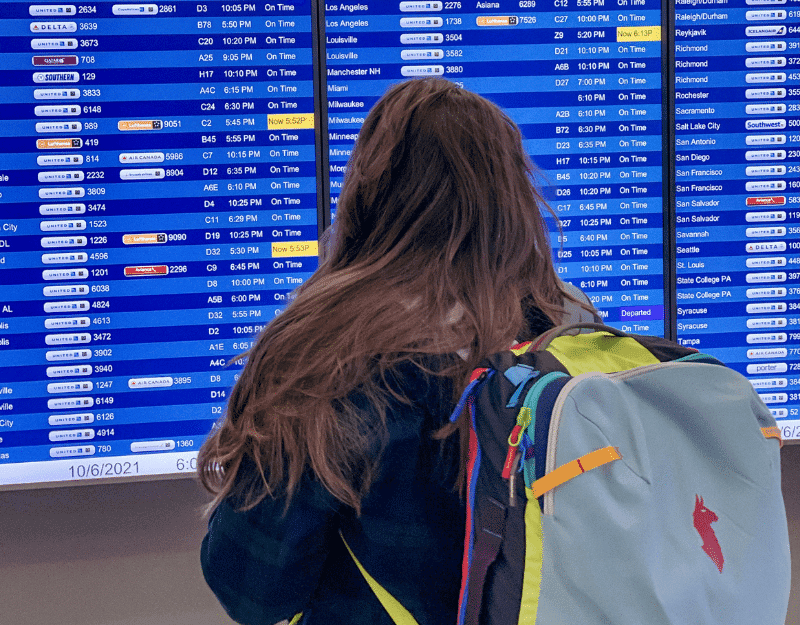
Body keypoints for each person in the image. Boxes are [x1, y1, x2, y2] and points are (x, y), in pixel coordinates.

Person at [198, 77, 597, 625]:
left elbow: (253, 589)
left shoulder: (326, 357)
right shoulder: (566, 325)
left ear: (370, 193)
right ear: (511, 198)